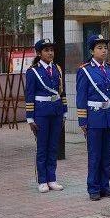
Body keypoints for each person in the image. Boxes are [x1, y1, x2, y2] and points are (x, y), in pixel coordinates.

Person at [76, 34, 110, 201]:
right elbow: (81, 97)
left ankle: (105, 186)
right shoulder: (85, 71)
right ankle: (93, 188)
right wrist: (83, 120)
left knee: (107, 155)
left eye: (105, 47)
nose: (104, 51)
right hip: (94, 117)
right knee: (95, 155)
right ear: (92, 51)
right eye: (99, 48)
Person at [25, 38, 67, 193]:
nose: (50, 53)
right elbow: (29, 95)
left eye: (52, 50)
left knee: (53, 147)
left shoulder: (57, 69)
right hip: (41, 113)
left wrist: (64, 110)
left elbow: (62, 91)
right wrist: (30, 117)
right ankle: (42, 180)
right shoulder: (33, 71)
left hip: (56, 111)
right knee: (42, 147)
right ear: (39, 53)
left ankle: (52, 178)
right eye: (46, 50)